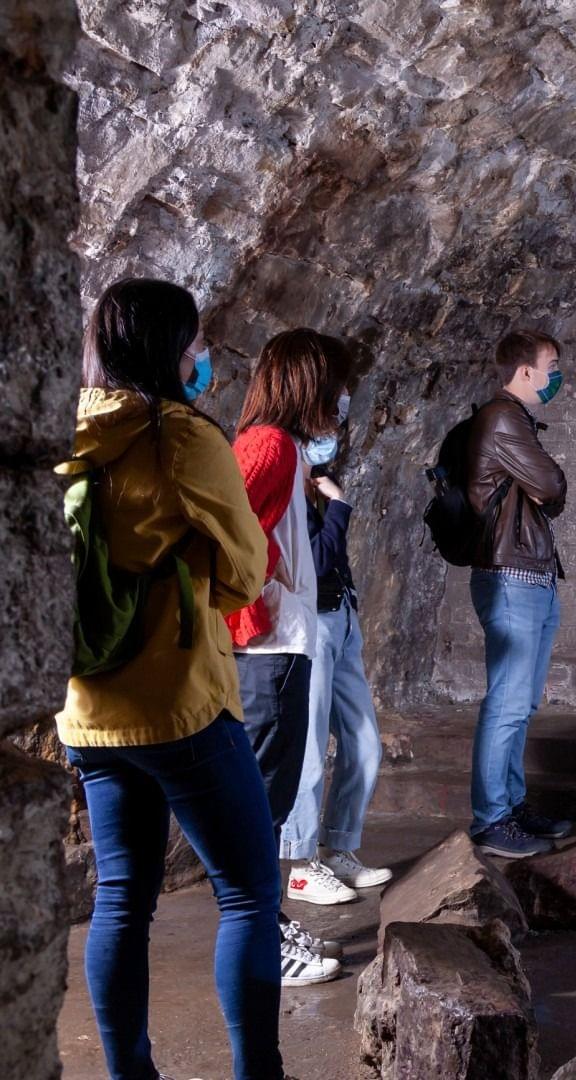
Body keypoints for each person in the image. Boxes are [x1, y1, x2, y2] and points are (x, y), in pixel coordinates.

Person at [57, 278, 286, 1079]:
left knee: (121, 899)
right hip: (180, 704)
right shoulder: (179, 436)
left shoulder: (65, 432)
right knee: (252, 895)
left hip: (88, 709)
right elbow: (246, 571)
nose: (203, 359)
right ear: (170, 350)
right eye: (195, 344)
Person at [228, 329, 350, 985]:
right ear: (312, 382)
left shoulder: (284, 451)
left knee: (269, 803)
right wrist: (253, 606)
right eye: (337, 384)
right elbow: (221, 527)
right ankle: (259, 944)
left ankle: (267, 921)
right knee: (259, 805)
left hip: (281, 642)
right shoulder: (269, 446)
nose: (342, 399)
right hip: (266, 648)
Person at [280, 369, 392, 904]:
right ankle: (301, 865)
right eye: (336, 408)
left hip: (342, 619)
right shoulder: (288, 476)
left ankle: (340, 848)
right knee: (308, 750)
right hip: (314, 625)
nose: (341, 420)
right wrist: (340, 508)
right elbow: (314, 560)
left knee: (364, 742)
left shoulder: (314, 473)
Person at [464, 329, 573, 858]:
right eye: (551, 367)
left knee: (521, 702)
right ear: (525, 371)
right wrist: (547, 482)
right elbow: (551, 487)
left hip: (529, 573)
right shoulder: (504, 418)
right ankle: (491, 819)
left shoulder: (517, 420)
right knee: (507, 702)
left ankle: (510, 803)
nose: (556, 377)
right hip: (512, 577)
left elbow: (544, 493)